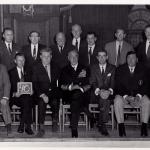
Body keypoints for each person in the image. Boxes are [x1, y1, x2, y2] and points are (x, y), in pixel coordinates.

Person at [114, 51, 150, 137]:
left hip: (138, 96)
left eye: (133, 58)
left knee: (147, 101)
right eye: (129, 58)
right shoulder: (120, 69)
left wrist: (138, 96)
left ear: (137, 59)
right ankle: (121, 126)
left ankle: (144, 126)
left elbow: (146, 85)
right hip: (125, 97)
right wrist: (126, 97)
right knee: (117, 101)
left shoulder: (143, 69)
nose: (131, 60)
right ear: (126, 59)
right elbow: (118, 86)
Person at [59, 50, 92, 138]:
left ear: (78, 57)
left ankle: (74, 129)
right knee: (75, 99)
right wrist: (72, 87)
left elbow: (89, 84)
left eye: (75, 56)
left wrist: (80, 88)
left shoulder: (85, 68)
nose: (73, 58)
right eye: (71, 56)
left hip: (82, 94)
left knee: (76, 99)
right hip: (68, 94)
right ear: (68, 58)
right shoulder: (64, 69)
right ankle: (88, 113)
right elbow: (61, 86)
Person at [32, 48, 60, 137]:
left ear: (51, 57)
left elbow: (58, 83)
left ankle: (55, 121)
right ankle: (41, 127)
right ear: (40, 57)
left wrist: (52, 94)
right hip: (40, 93)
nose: (46, 58)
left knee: (55, 101)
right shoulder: (36, 68)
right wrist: (43, 95)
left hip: (53, 92)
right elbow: (35, 84)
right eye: (44, 56)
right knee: (41, 103)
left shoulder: (56, 66)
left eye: (48, 56)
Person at [90, 50, 115, 136]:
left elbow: (113, 82)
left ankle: (101, 124)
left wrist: (109, 91)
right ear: (97, 58)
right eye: (99, 56)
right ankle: (102, 123)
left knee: (105, 100)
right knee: (104, 100)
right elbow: (92, 82)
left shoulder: (112, 68)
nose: (101, 58)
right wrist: (99, 91)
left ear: (107, 57)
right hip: (96, 93)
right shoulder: (93, 68)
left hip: (108, 94)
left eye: (104, 56)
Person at [9, 53, 34, 135]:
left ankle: (22, 124)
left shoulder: (29, 71)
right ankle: (28, 126)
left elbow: (33, 84)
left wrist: (32, 90)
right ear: (15, 61)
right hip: (16, 98)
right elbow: (8, 87)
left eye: (23, 60)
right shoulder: (10, 72)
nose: (21, 62)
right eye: (19, 60)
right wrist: (14, 93)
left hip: (27, 97)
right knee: (27, 102)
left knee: (27, 100)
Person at [0, 64, 13, 137]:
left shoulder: (2, 68)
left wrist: (5, 97)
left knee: (4, 105)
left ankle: (9, 127)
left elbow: (7, 83)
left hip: (1, 95)